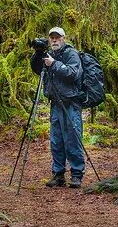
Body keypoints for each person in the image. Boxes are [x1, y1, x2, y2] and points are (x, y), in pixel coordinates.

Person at [30, 26, 85, 188]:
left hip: (70, 104)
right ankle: (58, 174)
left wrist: (54, 64)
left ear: (63, 38)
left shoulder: (71, 54)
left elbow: (74, 73)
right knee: (56, 140)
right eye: (51, 37)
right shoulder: (49, 54)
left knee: (72, 138)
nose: (54, 40)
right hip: (55, 104)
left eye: (57, 37)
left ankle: (76, 174)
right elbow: (36, 69)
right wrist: (38, 54)